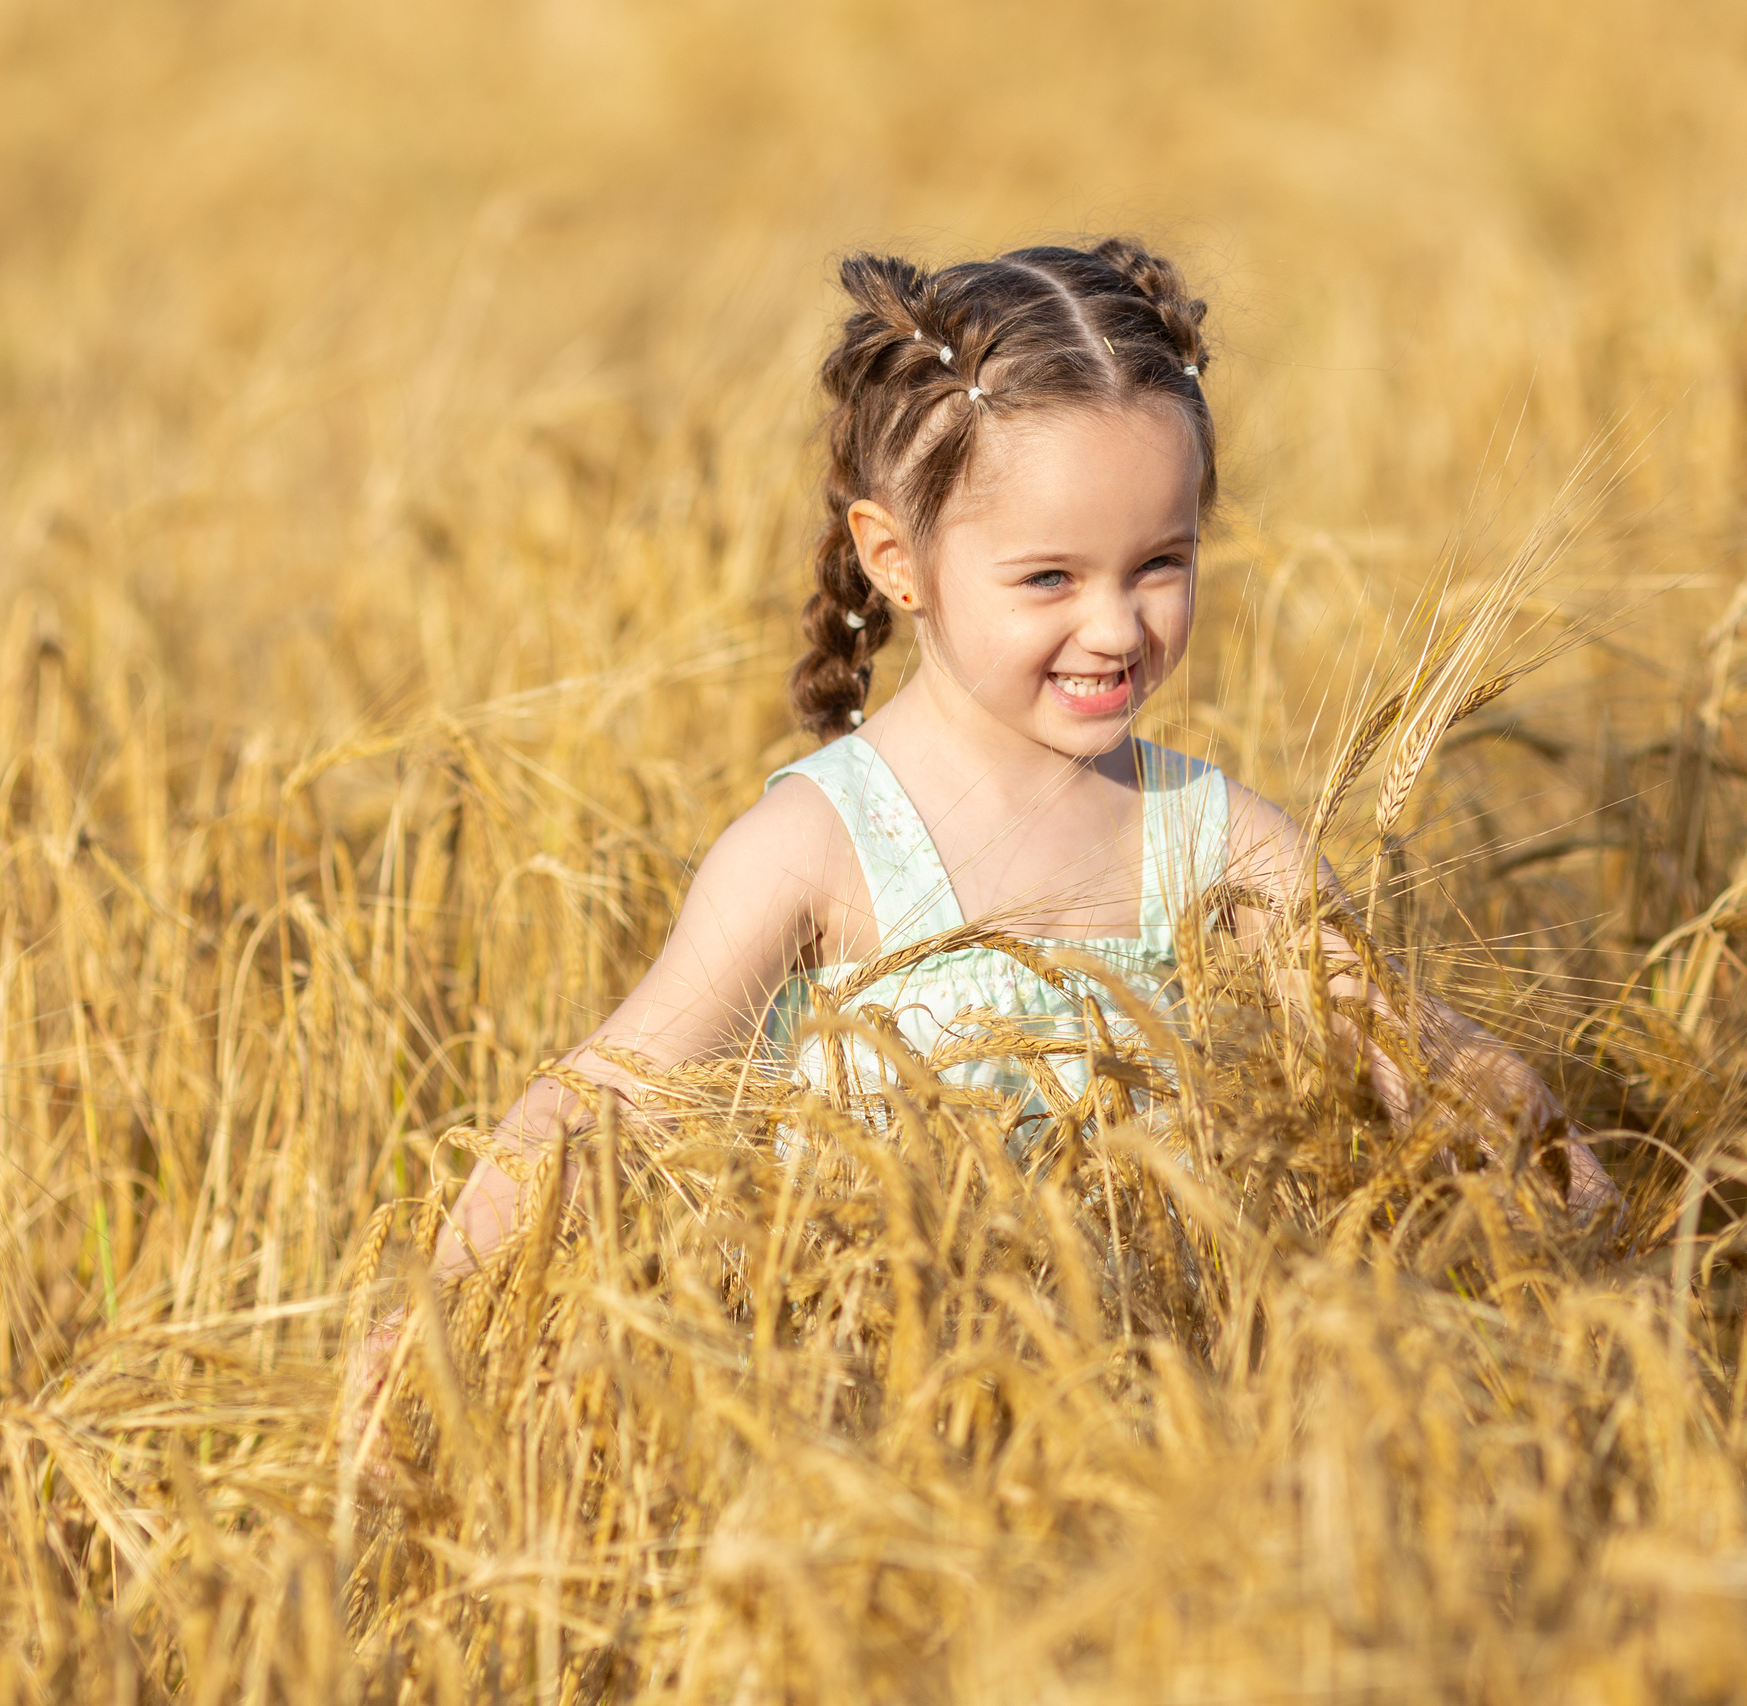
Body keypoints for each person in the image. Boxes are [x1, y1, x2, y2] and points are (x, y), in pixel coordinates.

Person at [347, 240, 1612, 1411]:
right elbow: (606, 1102)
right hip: (880, 1432)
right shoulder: (816, 852)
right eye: (1051, 577)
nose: (1116, 626)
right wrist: (430, 1322)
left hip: (1179, 1423)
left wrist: (1595, 1248)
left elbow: (1420, 1055)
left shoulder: (1216, 835)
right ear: (898, 560)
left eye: (1159, 562)